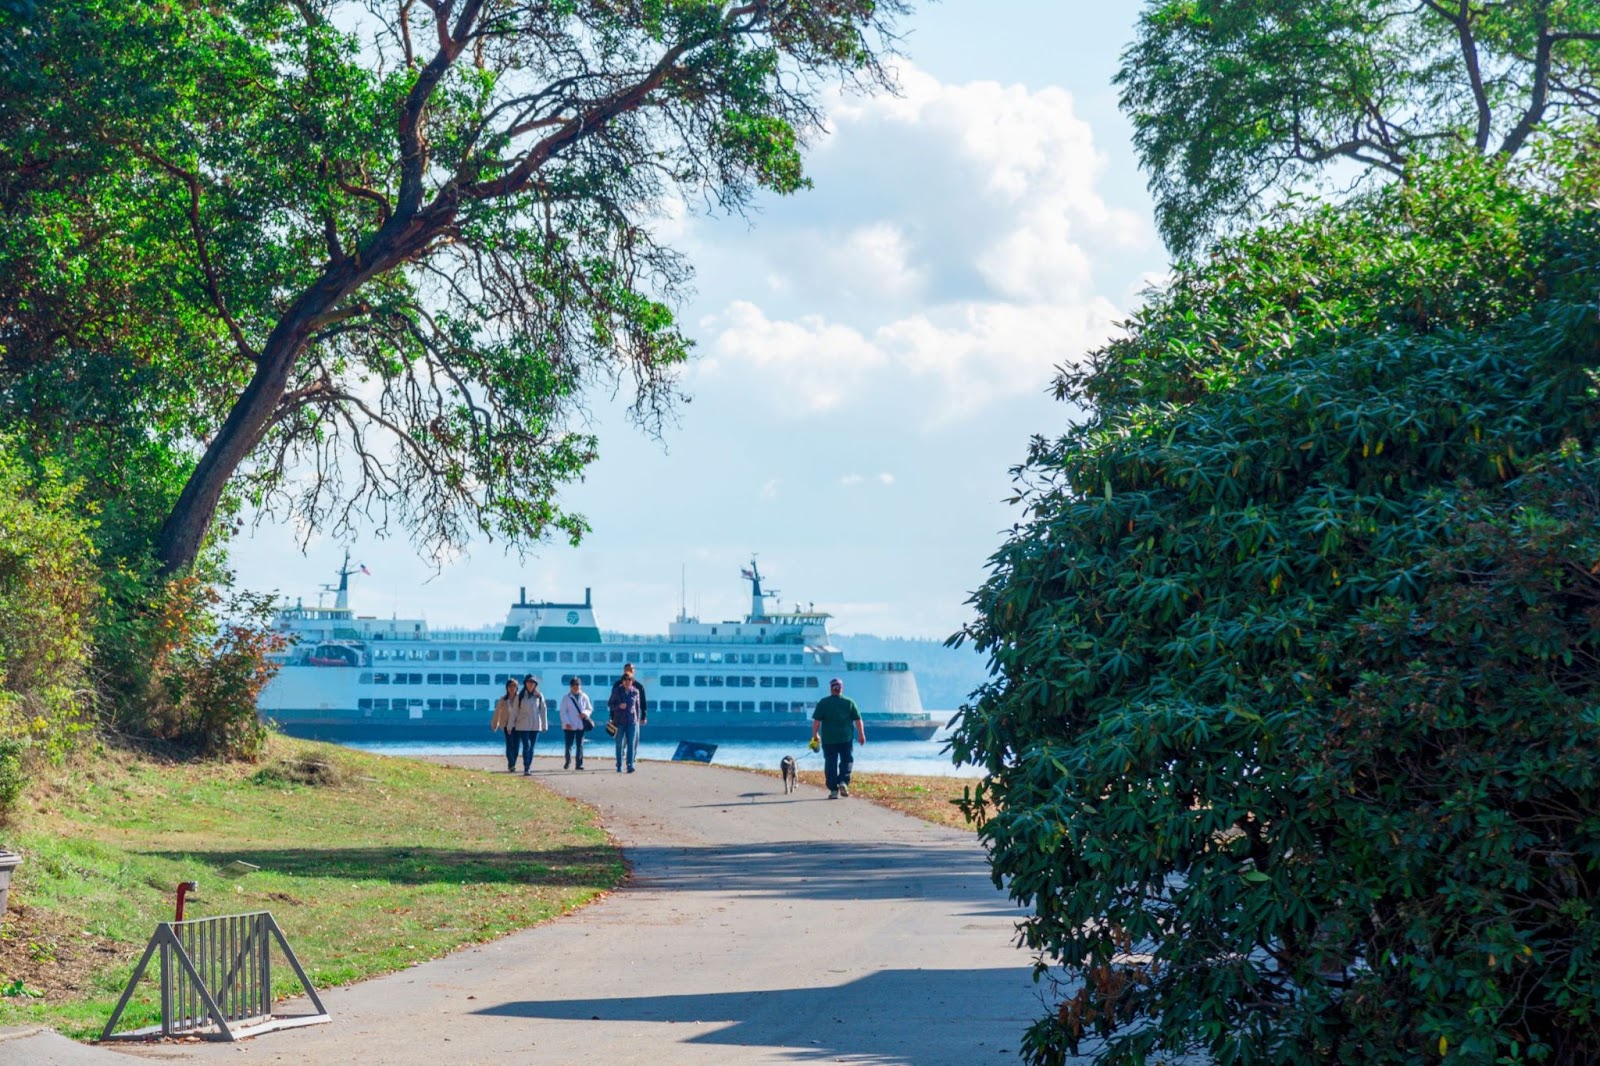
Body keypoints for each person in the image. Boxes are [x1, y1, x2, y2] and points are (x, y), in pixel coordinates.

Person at [810, 677, 865, 799]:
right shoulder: (849, 702)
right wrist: (861, 734)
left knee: (830, 763)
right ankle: (843, 782)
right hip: (846, 738)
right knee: (847, 761)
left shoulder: (823, 703)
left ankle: (833, 790)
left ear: (831, 689)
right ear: (841, 688)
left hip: (829, 739)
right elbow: (858, 720)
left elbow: (816, 722)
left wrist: (815, 735)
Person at [607, 665, 644, 773]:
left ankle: (630, 765)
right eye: (625, 679)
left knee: (631, 744)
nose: (627, 681)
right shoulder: (616, 691)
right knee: (619, 743)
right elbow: (610, 704)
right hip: (619, 721)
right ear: (622, 681)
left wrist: (637, 719)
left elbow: (637, 707)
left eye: (629, 679)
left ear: (632, 681)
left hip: (631, 721)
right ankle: (619, 765)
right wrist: (619, 706)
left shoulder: (635, 692)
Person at [511, 674, 547, 775]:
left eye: (532, 682)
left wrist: (544, 725)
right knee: (527, 745)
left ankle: (529, 766)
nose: (530, 684)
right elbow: (514, 711)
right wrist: (510, 725)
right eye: (528, 682)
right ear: (525, 683)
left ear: (535, 684)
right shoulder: (520, 696)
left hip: (535, 725)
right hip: (523, 724)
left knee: (532, 747)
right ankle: (526, 766)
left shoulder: (539, 696)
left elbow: (543, 711)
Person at [559, 676, 593, 770]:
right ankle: (568, 761)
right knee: (568, 745)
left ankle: (579, 764)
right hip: (569, 725)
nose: (575, 686)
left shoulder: (584, 696)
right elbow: (563, 712)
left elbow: (589, 708)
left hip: (580, 725)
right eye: (573, 685)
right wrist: (566, 722)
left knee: (580, 745)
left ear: (580, 686)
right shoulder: (566, 698)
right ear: (570, 686)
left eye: (577, 684)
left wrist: (585, 714)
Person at [490, 678, 521, 773]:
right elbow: (497, 712)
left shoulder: (520, 699)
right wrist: (495, 724)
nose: (512, 688)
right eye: (510, 686)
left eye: (514, 686)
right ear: (507, 688)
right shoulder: (503, 700)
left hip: (518, 725)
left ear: (517, 688)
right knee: (509, 744)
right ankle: (511, 764)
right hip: (506, 725)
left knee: (516, 746)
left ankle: (512, 763)